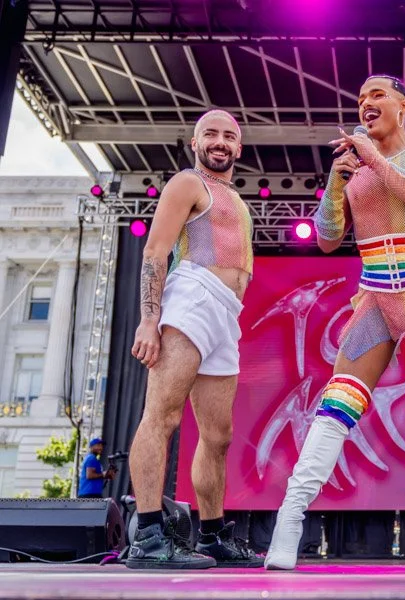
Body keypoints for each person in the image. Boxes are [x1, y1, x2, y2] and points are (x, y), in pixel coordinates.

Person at [265, 75, 405, 571]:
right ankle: (289, 519)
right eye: (360, 97)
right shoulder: (356, 169)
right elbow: (327, 238)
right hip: (375, 297)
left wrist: (370, 158)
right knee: (336, 407)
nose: (365, 103)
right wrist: (338, 177)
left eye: (376, 95)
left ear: (403, 106)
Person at [126, 110, 262, 569]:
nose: (220, 142)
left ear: (238, 148)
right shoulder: (188, 183)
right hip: (192, 297)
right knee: (161, 415)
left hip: (226, 312)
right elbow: (154, 250)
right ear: (195, 141)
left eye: (229, 136)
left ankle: (211, 534)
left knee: (218, 436)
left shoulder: (236, 199)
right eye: (211, 134)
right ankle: (147, 535)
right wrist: (150, 319)